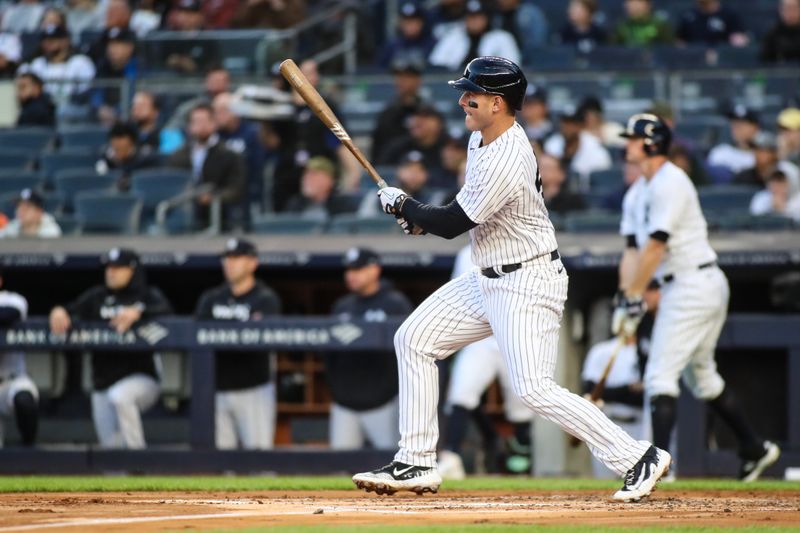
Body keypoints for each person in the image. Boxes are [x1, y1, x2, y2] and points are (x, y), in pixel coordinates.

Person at [353, 56, 671, 502]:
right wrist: (418, 217)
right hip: (486, 277)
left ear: (498, 103)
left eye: (473, 94)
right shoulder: (481, 138)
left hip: (526, 279)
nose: (463, 99)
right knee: (414, 339)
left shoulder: (507, 153)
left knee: (534, 389)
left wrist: (406, 206)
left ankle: (638, 456)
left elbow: (452, 223)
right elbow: (457, 214)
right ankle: (417, 460)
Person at [614, 113, 780, 482]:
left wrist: (636, 296)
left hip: (694, 283)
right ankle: (754, 447)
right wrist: (626, 297)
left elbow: (656, 247)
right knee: (702, 378)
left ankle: (655, 467)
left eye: (633, 138)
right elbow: (631, 251)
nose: (627, 144)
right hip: (683, 286)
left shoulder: (671, 182)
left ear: (651, 143)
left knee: (659, 376)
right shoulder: (636, 192)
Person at [48, 248, 173, 449]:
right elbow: (70, 309)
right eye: (109, 267)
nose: (111, 272)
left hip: (142, 379)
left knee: (121, 396)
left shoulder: (147, 295)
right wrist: (58, 310)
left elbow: (167, 311)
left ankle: (138, 460)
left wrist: (139, 311)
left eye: (118, 268)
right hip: (102, 382)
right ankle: (120, 477)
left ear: (133, 270)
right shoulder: (97, 296)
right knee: (109, 448)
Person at [438, 245, 535, 480]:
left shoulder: (521, 245)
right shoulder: (465, 253)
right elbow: (456, 295)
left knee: (523, 402)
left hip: (514, 335)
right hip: (479, 336)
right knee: (461, 395)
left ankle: (521, 466)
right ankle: (451, 457)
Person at [194, 238, 281, 449]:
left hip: (254, 388)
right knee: (223, 465)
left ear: (253, 263)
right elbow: (196, 335)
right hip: (217, 388)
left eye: (236, 258)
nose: (229, 263)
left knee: (259, 462)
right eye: (227, 258)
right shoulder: (211, 298)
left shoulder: (265, 298)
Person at [326, 248, 413, 450]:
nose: (351, 275)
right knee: (339, 469)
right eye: (349, 270)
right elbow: (329, 355)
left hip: (383, 403)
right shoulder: (342, 306)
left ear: (375, 270)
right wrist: (336, 391)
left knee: (390, 463)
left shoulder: (395, 304)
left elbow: (408, 349)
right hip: (344, 404)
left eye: (358, 269)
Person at [582, 280, 660, 479]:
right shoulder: (601, 351)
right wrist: (627, 389)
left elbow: (647, 394)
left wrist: (620, 392)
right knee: (604, 484)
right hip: (609, 422)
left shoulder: (648, 351)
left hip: (640, 424)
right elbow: (591, 391)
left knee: (640, 478)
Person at [167, 103, 247, 230]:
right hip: (184, 212)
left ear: (214, 123)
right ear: (189, 127)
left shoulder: (229, 154)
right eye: (197, 121)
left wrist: (214, 197)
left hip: (221, 215)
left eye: (206, 121)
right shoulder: (178, 156)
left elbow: (236, 188)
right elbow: (171, 184)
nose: (202, 126)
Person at [0, 268, 38, 447]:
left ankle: (28, 449)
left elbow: (9, 314)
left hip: (12, 380)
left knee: (24, 400)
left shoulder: (12, 299)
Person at [213, 91, 267, 216]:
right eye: (215, 111)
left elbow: (258, 164)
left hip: (248, 186)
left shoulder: (251, 133)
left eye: (222, 111)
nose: (218, 116)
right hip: (221, 187)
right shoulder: (214, 136)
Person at [428, 0, 520, 71]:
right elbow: (436, 64)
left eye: (478, 17)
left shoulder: (502, 37)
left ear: (487, 18)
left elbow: (512, 67)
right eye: (471, 17)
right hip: (455, 84)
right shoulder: (453, 36)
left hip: (491, 86)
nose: (474, 21)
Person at [22, 24, 95, 112]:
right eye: (45, 39)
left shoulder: (80, 62)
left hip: (73, 108)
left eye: (53, 39)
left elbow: (87, 92)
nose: (48, 43)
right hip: (44, 109)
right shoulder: (37, 63)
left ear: (65, 41)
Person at [378, 103, 450, 188]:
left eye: (426, 117)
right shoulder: (397, 147)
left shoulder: (450, 147)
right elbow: (382, 173)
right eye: (415, 116)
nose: (418, 121)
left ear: (439, 123)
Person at [371, 56, 427, 163]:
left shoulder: (428, 113)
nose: (401, 81)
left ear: (418, 80)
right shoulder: (387, 114)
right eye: (398, 76)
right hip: (392, 171)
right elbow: (378, 151)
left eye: (407, 76)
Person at [543, 105, 612, 183]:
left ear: (581, 126)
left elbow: (601, 180)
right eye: (565, 123)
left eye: (572, 124)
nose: (568, 128)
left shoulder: (595, 148)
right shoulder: (552, 144)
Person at [284, 156, 356, 220]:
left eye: (314, 174)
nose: (306, 178)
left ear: (329, 180)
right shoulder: (295, 204)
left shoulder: (343, 205)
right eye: (305, 174)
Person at [96, 122, 159, 191]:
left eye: (122, 148)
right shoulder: (106, 159)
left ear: (132, 143)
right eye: (115, 148)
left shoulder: (147, 160)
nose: (117, 145)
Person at [733, 131, 800, 193]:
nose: (759, 154)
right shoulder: (743, 176)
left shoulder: (788, 172)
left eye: (764, 150)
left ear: (774, 153)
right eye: (756, 149)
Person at [707, 105, 761, 178]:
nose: (737, 127)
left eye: (742, 123)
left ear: (755, 127)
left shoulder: (764, 156)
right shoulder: (719, 152)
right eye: (734, 123)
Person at [377, 2, 435, 69]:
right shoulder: (391, 46)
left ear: (421, 23)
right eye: (406, 21)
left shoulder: (432, 44)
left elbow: (438, 72)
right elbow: (380, 71)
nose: (410, 25)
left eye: (414, 21)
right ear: (400, 23)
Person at [676, 0, 749, 47]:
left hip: (724, 62)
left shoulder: (729, 14)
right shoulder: (688, 16)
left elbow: (739, 39)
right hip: (693, 60)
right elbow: (680, 41)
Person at [609, 0, 673, 47]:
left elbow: (670, 49)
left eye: (636, 2)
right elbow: (611, 50)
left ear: (648, 5)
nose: (630, 5)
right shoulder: (621, 26)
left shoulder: (660, 25)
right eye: (628, 2)